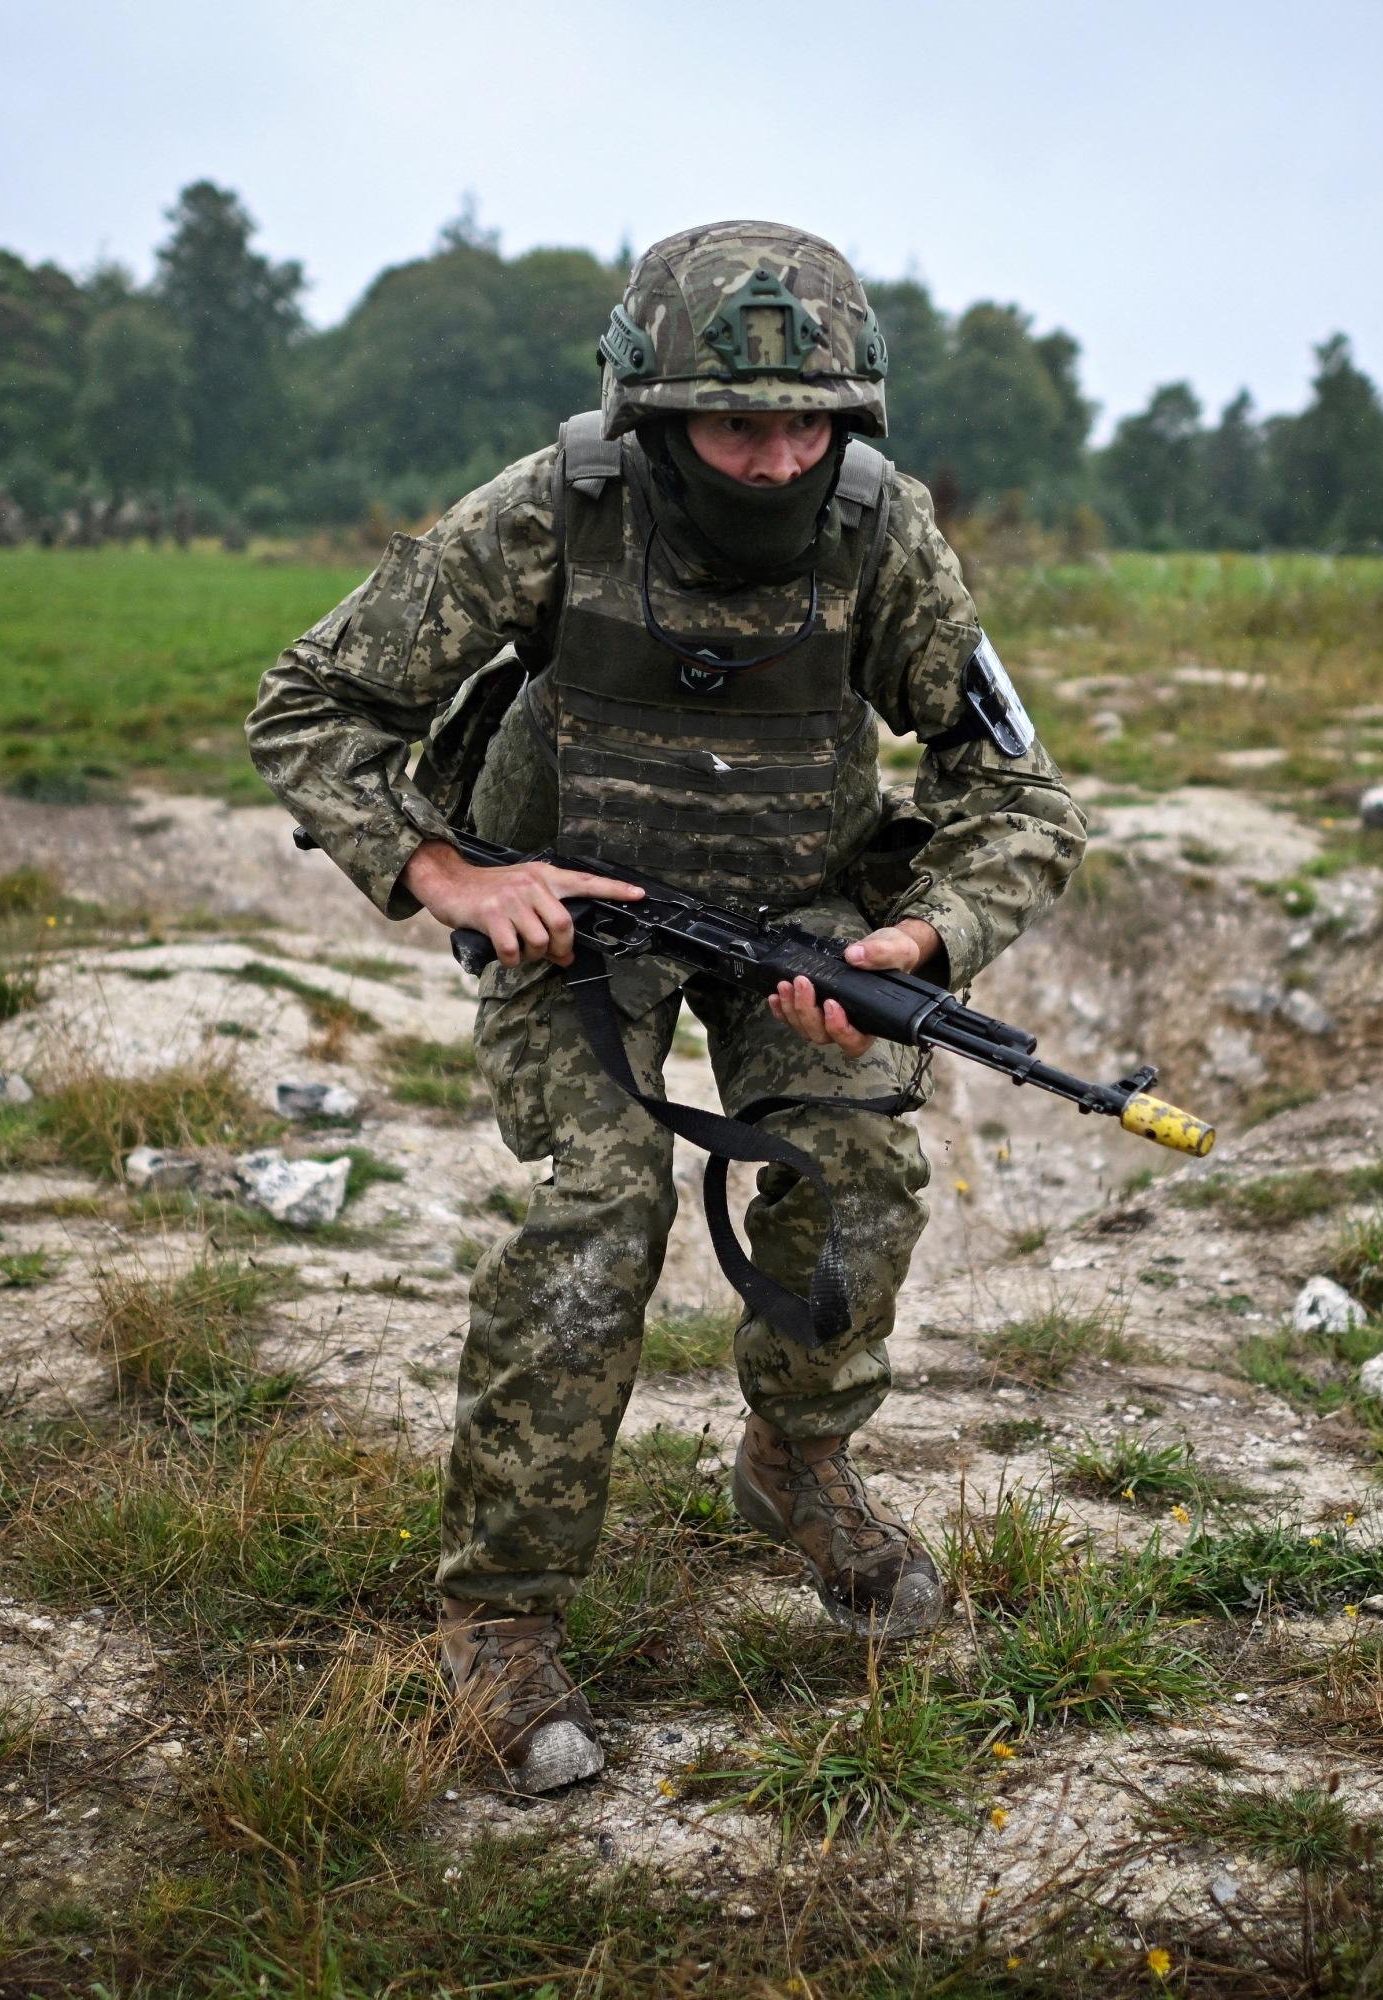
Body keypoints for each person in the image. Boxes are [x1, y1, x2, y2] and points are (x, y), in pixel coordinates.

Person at [247, 221, 1083, 1794]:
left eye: (808, 423)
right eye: (734, 424)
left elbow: (1017, 795)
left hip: (802, 918)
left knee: (861, 1168)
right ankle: (499, 1616)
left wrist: (926, 935)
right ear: (648, 412)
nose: (774, 462)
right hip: (572, 926)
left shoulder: (882, 532)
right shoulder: (552, 509)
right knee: (601, 1205)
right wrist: (442, 870)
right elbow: (310, 706)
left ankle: (799, 1463)